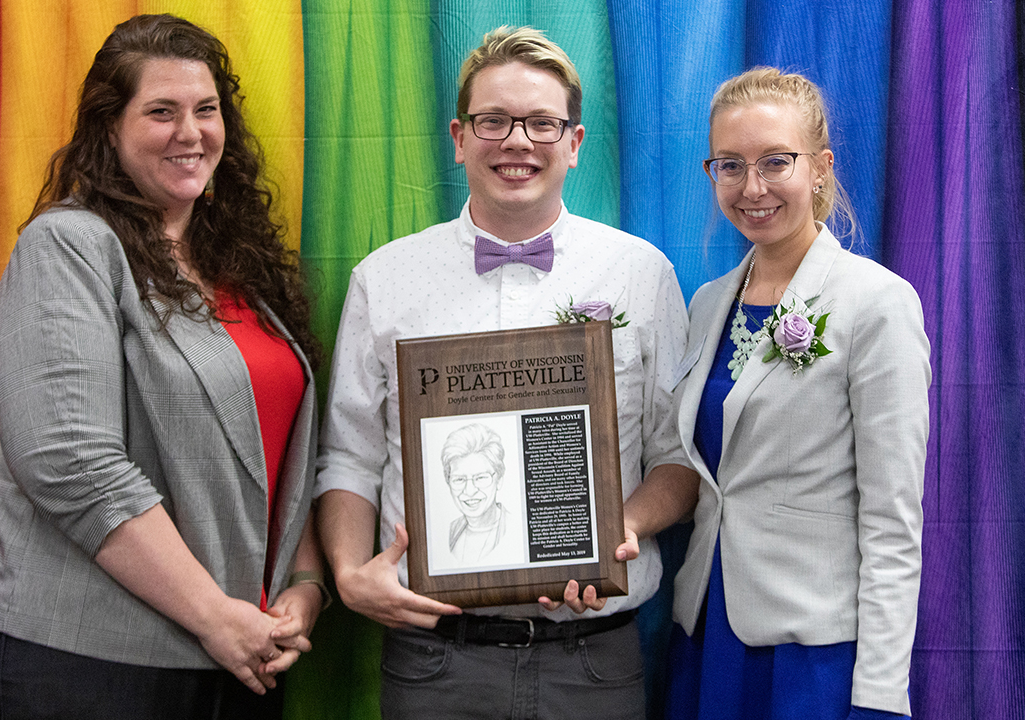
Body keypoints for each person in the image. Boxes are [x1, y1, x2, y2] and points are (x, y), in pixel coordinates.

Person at [315, 25, 700, 720]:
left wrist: (618, 531)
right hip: (434, 659)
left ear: (575, 144)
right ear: (459, 137)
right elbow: (349, 454)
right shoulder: (386, 278)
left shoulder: (641, 273)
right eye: (493, 121)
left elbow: (676, 460)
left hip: (594, 658)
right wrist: (347, 573)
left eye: (542, 123)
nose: (517, 142)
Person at [0, 14, 326, 720]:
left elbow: (283, 459)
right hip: (80, 667)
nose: (190, 132)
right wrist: (216, 617)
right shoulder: (69, 245)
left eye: (206, 109)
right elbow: (70, 460)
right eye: (162, 111)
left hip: (240, 657)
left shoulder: (234, 266)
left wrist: (304, 587)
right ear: (109, 129)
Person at [666, 67, 931, 720]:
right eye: (730, 165)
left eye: (774, 162)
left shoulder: (877, 303)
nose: (751, 187)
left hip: (812, 657)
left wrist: (879, 695)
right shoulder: (706, 304)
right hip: (704, 634)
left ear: (819, 167)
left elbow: (893, 522)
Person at [440, 423, 512, 563]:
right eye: (459, 479)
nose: (469, 491)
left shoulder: (515, 529)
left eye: (480, 478)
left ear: (499, 480)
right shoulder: (447, 533)